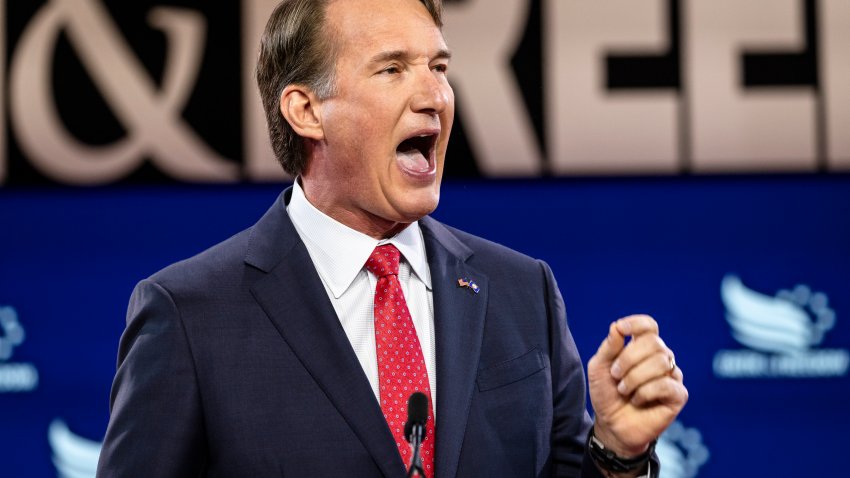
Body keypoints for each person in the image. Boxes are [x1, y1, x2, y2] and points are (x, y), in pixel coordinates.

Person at [97, 0, 688, 476]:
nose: (433, 96)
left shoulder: (520, 290)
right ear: (306, 110)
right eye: (392, 68)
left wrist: (615, 453)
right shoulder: (190, 315)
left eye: (438, 68)